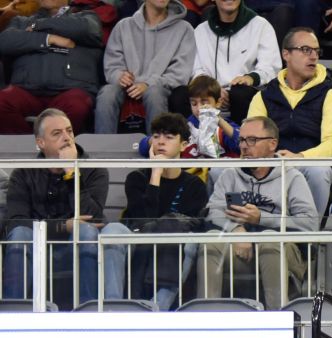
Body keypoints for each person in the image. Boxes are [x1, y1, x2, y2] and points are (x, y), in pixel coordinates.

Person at [1, 109, 127, 306]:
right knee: (19, 235)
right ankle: (15, 310)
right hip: (38, 249)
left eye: (69, 131)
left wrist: (71, 172)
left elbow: (93, 217)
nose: (67, 138)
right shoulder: (24, 173)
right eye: (57, 133)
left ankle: (88, 308)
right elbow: (16, 222)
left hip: (78, 248)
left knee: (84, 230)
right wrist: (63, 226)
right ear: (40, 143)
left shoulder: (94, 169)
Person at [201, 114, 317, 307]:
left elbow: (310, 223)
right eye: (242, 140)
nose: (245, 146)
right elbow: (213, 211)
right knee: (211, 241)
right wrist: (237, 231)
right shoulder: (230, 175)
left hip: (284, 252)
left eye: (252, 140)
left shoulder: (292, 177)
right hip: (241, 251)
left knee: (270, 240)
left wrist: (262, 218)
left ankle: (277, 321)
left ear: (272, 144)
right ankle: (207, 322)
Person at [245, 27, 332, 217]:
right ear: (286, 54)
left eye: (316, 51)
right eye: (306, 50)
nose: (314, 56)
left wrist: (299, 157)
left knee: (319, 171)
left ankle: (309, 237)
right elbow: (250, 138)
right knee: (220, 171)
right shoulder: (264, 95)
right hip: (272, 163)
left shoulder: (330, 94)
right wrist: (274, 159)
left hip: (308, 163)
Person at [122, 112, 207, 311]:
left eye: (169, 137)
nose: (161, 142)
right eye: (157, 136)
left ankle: (158, 307)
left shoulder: (195, 185)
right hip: (143, 242)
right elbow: (143, 221)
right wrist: (156, 173)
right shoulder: (136, 178)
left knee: (183, 241)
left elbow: (193, 225)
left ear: (184, 145)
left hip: (177, 247)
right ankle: (139, 306)